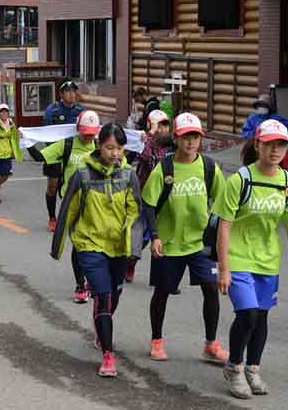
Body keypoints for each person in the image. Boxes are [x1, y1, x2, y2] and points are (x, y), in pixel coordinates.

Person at [213, 119, 288, 399]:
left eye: (281, 145)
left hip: (268, 260)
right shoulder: (240, 180)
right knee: (248, 313)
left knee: (261, 317)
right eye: (270, 144)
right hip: (238, 258)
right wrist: (224, 269)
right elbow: (224, 225)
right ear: (258, 145)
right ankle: (234, 367)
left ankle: (253, 368)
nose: (276, 150)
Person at [51, 123, 143, 378]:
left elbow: (135, 213)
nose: (115, 153)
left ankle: (101, 328)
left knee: (114, 294)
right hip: (89, 244)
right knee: (103, 294)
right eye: (109, 147)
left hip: (118, 247)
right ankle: (108, 355)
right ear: (99, 146)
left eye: (119, 148)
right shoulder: (82, 175)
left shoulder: (129, 175)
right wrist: (57, 247)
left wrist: (134, 248)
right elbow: (68, 210)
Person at [140, 112, 229, 364]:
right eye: (185, 137)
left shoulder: (209, 167)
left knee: (211, 290)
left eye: (195, 137)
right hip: (169, 243)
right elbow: (148, 203)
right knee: (163, 292)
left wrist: (221, 235)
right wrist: (155, 236)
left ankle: (211, 344)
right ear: (176, 139)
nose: (191, 143)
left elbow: (224, 204)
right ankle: (157, 340)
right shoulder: (165, 168)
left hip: (200, 243)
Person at [32, 110, 101, 303]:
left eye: (92, 133)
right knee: (79, 244)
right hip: (73, 202)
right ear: (78, 129)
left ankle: (93, 281)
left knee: (96, 244)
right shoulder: (68, 144)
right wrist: (26, 141)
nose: (88, 137)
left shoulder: (101, 145)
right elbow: (40, 157)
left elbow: (120, 161)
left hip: (97, 203)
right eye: (85, 132)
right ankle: (81, 285)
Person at [126, 109, 172, 283]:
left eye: (165, 125)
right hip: (143, 198)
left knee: (161, 237)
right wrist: (150, 134)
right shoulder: (146, 143)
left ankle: (164, 279)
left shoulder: (172, 147)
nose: (162, 129)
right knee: (139, 239)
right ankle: (130, 262)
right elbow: (141, 155)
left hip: (164, 200)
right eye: (158, 125)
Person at [41, 80, 86, 229]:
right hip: (56, 153)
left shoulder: (82, 111)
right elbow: (46, 134)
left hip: (76, 154)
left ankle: (74, 217)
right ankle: (52, 218)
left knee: (76, 186)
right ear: (61, 94)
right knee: (53, 186)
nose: (72, 94)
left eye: (74, 91)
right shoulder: (52, 110)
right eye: (68, 91)